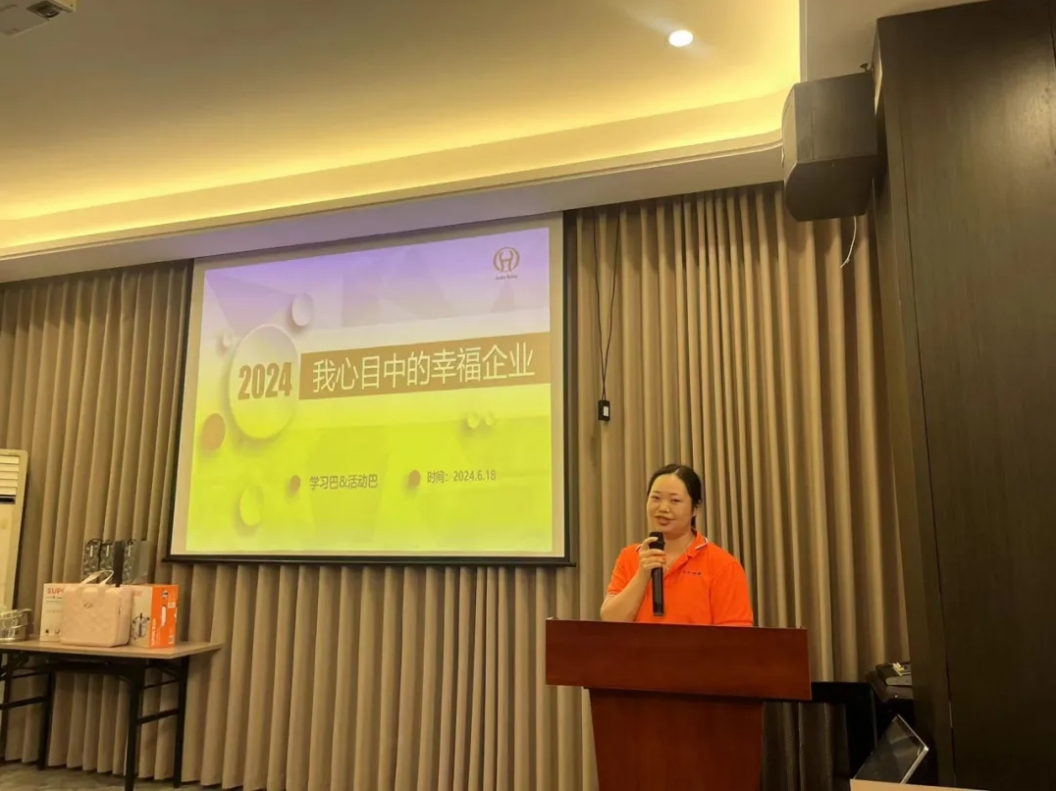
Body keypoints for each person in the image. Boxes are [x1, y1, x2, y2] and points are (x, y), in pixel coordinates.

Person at [600, 463, 754, 626]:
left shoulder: (722, 565)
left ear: (695, 508)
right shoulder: (630, 556)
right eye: (656, 498)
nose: (663, 508)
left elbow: (735, 634)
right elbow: (610, 622)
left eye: (675, 500)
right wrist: (642, 575)